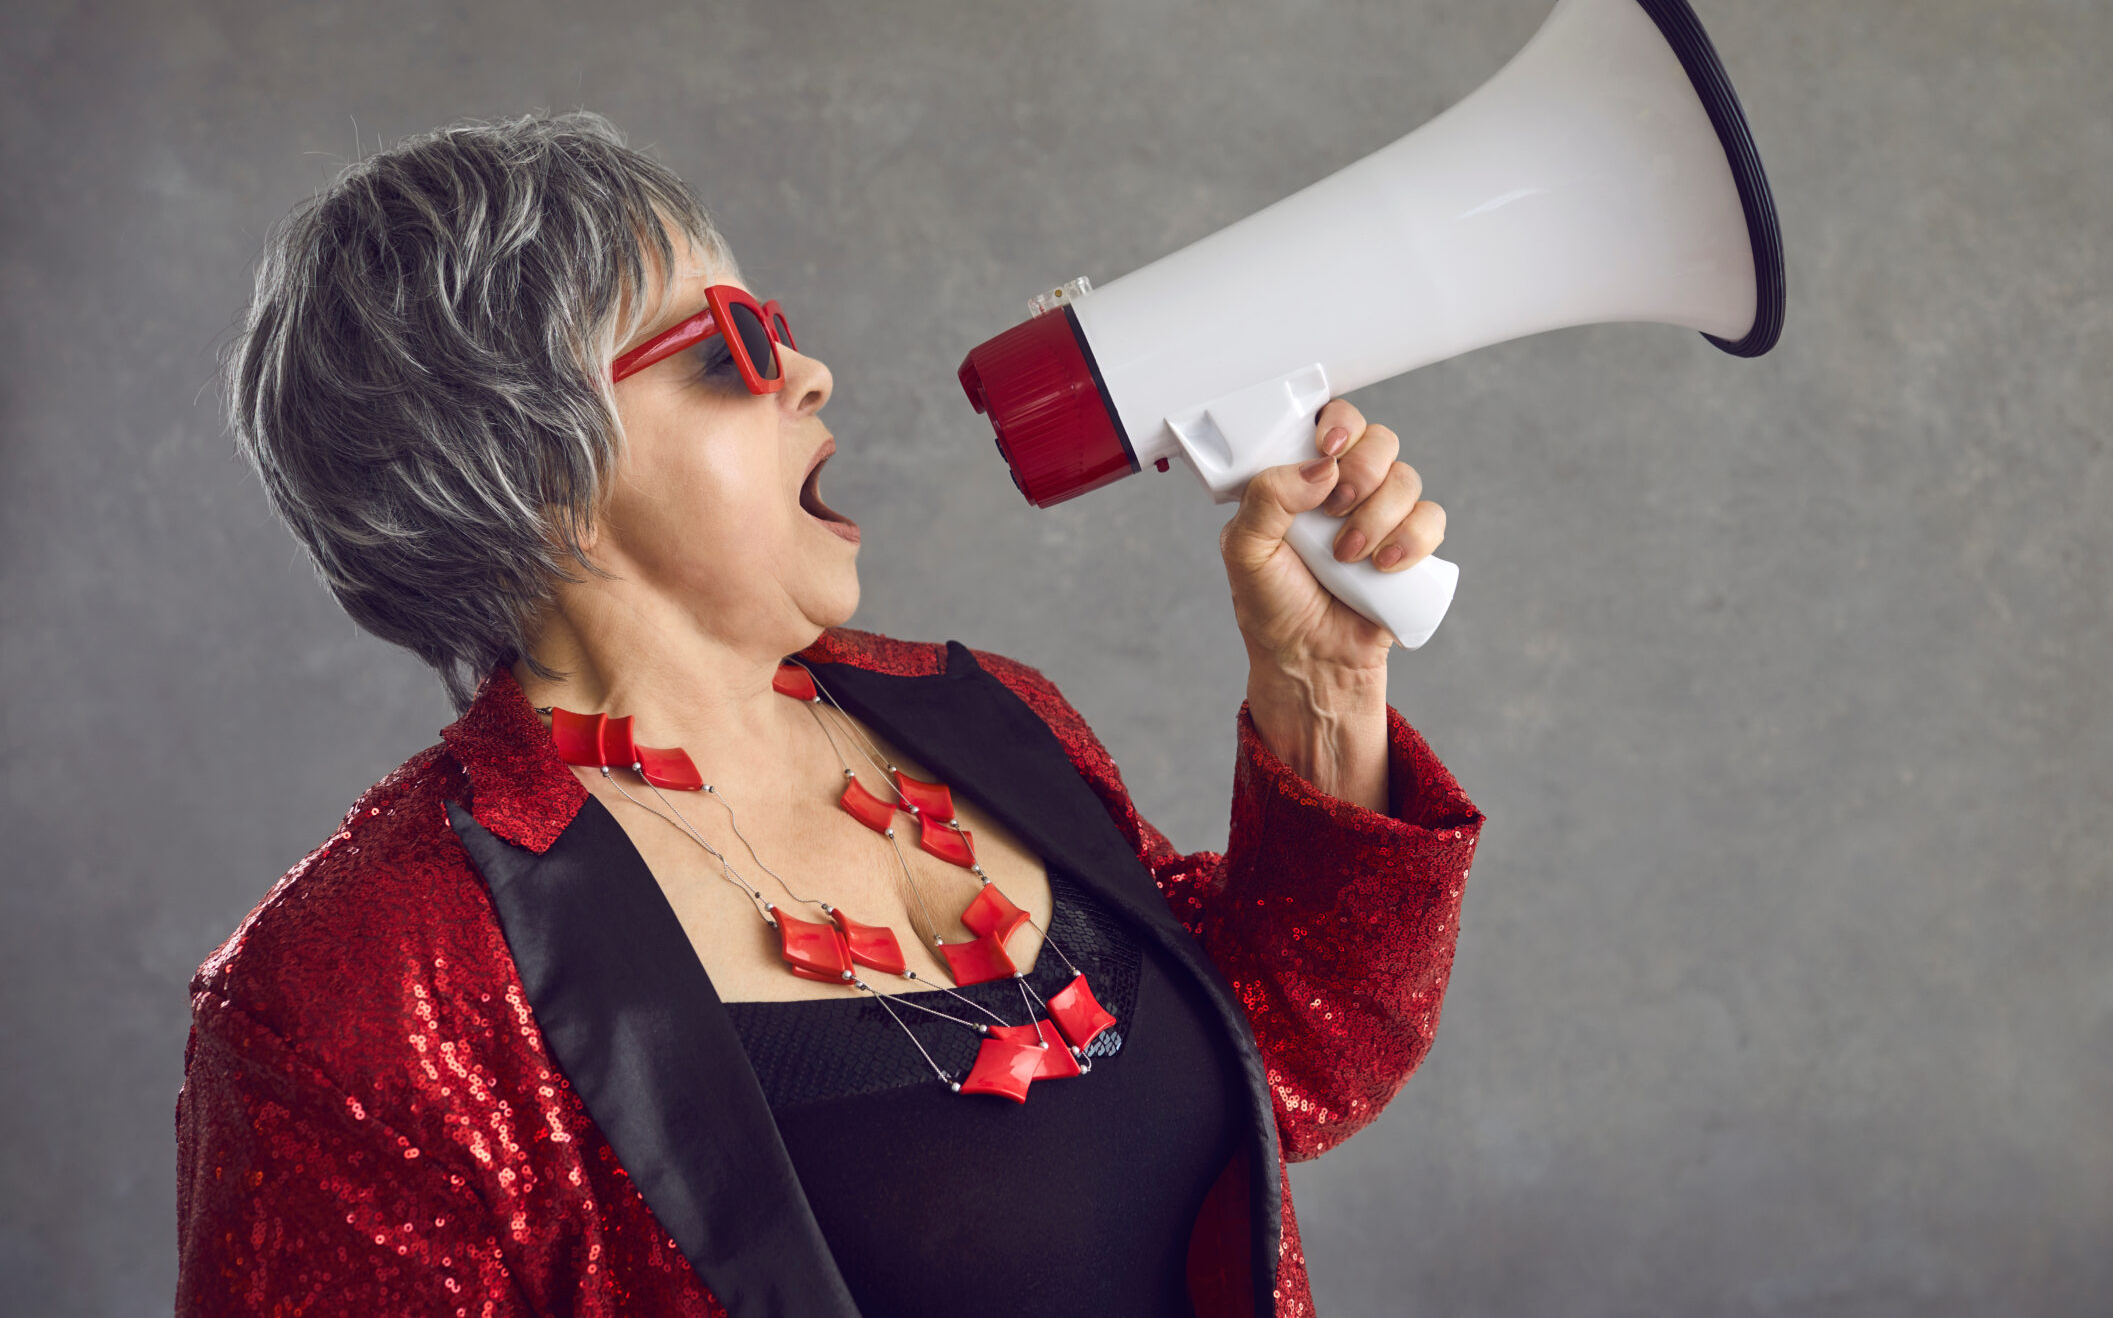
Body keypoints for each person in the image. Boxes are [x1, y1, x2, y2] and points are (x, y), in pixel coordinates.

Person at [175, 112, 1485, 1318]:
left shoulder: (992, 719)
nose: (807, 369)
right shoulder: (355, 987)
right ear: (532, 472)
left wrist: (1323, 683)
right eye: (728, 345)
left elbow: (1293, 1059)